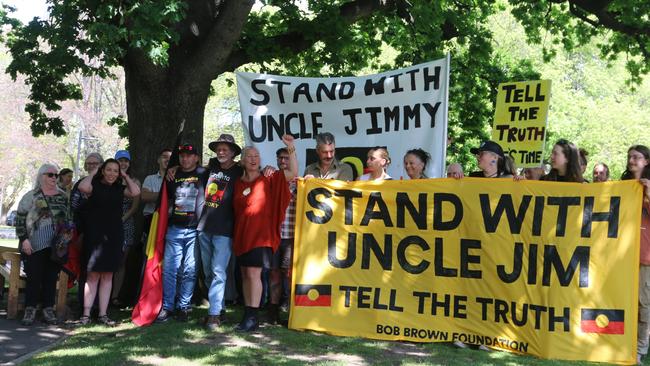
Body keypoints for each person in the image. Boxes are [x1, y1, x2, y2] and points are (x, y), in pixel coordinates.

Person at [233, 135, 297, 331]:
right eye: (249, 156)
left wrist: (291, 147)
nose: (253, 159)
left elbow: (293, 172)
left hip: (261, 237)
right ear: (242, 161)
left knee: (254, 274)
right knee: (245, 274)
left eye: (256, 156)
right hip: (242, 237)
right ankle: (248, 313)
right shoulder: (238, 183)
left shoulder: (269, 178)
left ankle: (252, 317)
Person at [78, 158, 140, 326]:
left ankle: (103, 314)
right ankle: (86, 314)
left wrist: (125, 177)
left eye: (115, 170)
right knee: (92, 276)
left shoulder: (120, 189)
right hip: (95, 236)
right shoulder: (94, 186)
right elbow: (82, 187)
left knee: (107, 276)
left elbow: (135, 192)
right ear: (103, 171)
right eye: (109, 170)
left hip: (114, 236)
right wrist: (93, 171)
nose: (112, 173)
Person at [15, 164, 71, 325]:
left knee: (51, 278)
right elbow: (20, 220)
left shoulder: (62, 196)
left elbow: (68, 220)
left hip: (56, 245)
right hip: (33, 244)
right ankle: (30, 309)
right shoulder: (31, 196)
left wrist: (65, 239)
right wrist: (24, 239)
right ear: (41, 176)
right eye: (50, 175)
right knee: (33, 277)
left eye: (56, 175)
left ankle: (48, 309)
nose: (54, 177)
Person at [156, 144, 207, 323]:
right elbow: (166, 199)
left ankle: (184, 306)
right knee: (170, 269)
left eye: (189, 156)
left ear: (197, 158)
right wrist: (173, 168)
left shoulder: (204, 173)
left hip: (194, 229)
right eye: (182, 156)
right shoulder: (172, 175)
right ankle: (168, 306)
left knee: (190, 270)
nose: (185, 159)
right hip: (174, 228)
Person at [198, 134, 243, 330]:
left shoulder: (240, 171)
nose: (221, 152)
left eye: (225, 149)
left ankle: (214, 315)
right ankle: (220, 309)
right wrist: (173, 168)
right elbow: (188, 171)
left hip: (225, 230)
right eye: (219, 149)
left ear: (233, 152)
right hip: (204, 227)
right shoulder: (210, 169)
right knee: (208, 272)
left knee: (218, 271)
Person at [620, 145, 650, 364]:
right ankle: (621, 343)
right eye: (629, 157)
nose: (631, 160)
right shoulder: (622, 186)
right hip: (621, 255)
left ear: (646, 161)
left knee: (643, 305)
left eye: (636, 157)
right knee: (622, 300)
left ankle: (639, 349)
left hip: (644, 256)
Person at [111, 150, 141, 306]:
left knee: (121, 261)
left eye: (126, 161)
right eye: (120, 161)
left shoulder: (134, 181)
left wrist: (122, 219)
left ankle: (115, 296)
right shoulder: (109, 178)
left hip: (126, 223)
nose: (123, 164)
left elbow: (135, 207)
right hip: (108, 222)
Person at [276, 147, 298, 313]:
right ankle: (273, 305)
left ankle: (287, 301)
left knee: (287, 271)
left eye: (286, 158)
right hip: (274, 234)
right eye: (280, 158)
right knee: (273, 271)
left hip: (291, 235)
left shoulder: (300, 183)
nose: (283, 161)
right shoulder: (272, 179)